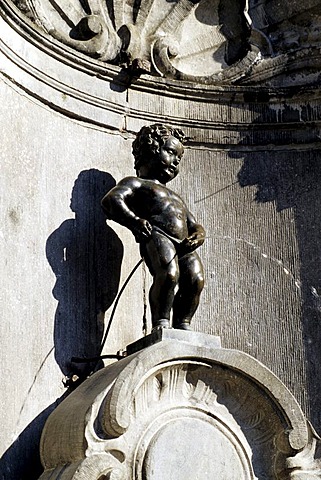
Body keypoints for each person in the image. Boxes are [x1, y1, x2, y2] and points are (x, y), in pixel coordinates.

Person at [101, 123, 205, 330]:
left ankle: (183, 323)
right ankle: (161, 321)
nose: (175, 162)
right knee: (169, 274)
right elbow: (112, 199)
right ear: (152, 149)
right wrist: (134, 221)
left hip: (184, 244)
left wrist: (199, 234)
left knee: (195, 279)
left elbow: (192, 223)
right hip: (157, 234)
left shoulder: (176, 197)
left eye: (179, 158)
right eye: (170, 153)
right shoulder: (137, 183)